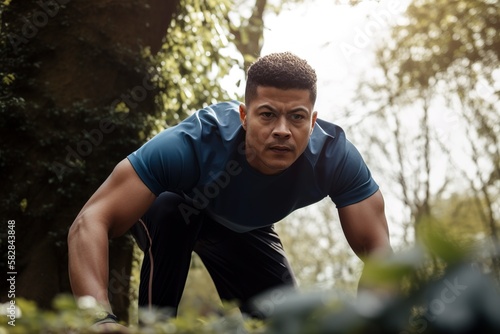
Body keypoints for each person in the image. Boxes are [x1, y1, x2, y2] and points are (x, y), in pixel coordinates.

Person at [68, 52, 391, 328]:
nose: (282, 130)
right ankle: (156, 329)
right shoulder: (191, 145)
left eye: (296, 117)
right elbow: (91, 220)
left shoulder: (335, 159)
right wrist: (98, 319)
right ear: (244, 116)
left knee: (285, 326)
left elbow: (378, 250)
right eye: (267, 115)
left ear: (312, 121)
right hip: (180, 209)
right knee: (171, 213)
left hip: (245, 228)